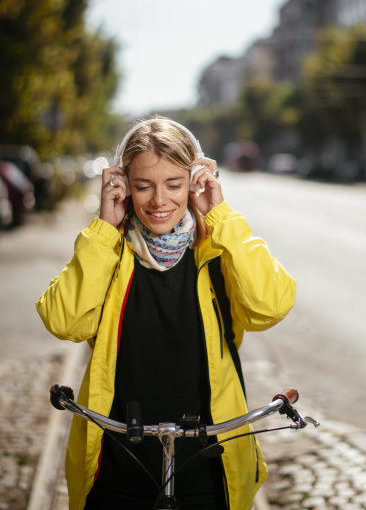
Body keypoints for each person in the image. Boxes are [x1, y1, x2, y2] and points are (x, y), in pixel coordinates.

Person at [36, 116, 296, 510]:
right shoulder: (109, 251)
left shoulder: (217, 250)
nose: (159, 201)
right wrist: (105, 227)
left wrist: (221, 215)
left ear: (194, 183)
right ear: (123, 185)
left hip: (207, 467)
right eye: (143, 186)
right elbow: (64, 321)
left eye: (174, 185)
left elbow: (271, 306)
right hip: (116, 466)